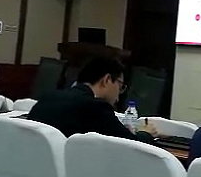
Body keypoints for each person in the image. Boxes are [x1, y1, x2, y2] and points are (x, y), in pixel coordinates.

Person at [28, 57, 158, 141]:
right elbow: (129, 142)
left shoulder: (47, 98)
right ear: (107, 80)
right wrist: (145, 133)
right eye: (120, 86)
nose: (118, 96)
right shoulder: (95, 107)